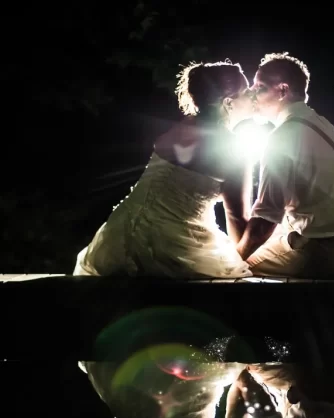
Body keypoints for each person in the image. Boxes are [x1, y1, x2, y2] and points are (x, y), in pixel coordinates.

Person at [74, 61, 254, 278]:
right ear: (228, 102)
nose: (252, 96)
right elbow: (236, 217)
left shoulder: (180, 128)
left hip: (119, 239)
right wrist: (241, 259)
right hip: (172, 247)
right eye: (246, 91)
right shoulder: (232, 148)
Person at [236, 52, 334, 278]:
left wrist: (235, 258)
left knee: (239, 267)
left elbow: (264, 222)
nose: (252, 95)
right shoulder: (325, 126)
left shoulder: (283, 135)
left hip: (327, 255)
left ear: (282, 90)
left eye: (260, 88)